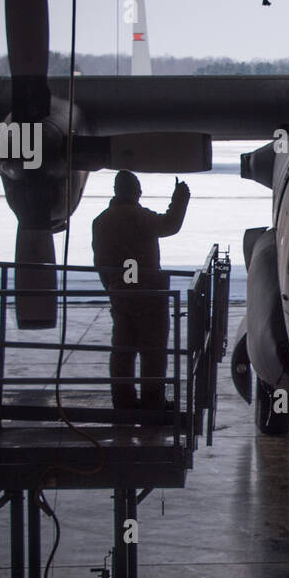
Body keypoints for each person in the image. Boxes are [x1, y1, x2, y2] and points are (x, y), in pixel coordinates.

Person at [92, 171, 190, 411]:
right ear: (136, 191)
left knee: (123, 348)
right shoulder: (139, 217)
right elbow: (170, 224)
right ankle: (152, 399)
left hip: (120, 291)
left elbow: (100, 260)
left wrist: (113, 286)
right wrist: (180, 198)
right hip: (149, 293)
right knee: (153, 350)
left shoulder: (101, 220)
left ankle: (122, 398)